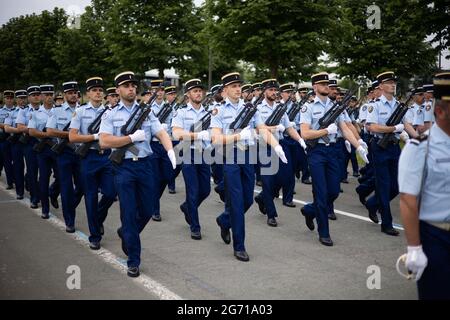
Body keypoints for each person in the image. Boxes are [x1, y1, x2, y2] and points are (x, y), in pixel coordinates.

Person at [99, 71, 176, 277]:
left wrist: (169, 150)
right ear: (118, 90)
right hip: (123, 168)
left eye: (133, 85)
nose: (131, 88)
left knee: (149, 209)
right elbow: (104, 141)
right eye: (126, 86)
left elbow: (161, 132)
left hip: (145, 165)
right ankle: (133, 259)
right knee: (129, 211)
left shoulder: (147, 112)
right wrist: (130, 138)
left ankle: (126, 233)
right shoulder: (111, 114)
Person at [210, 72, 288, 261]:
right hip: (230, 157)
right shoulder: (218, 111)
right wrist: (238, 136)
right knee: (237, 203)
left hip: (249, 157)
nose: (238, 89)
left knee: (248, 201)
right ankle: (240, 246)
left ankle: (224, 220)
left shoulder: (251, 108)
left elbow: (262, 129)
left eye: (239, 86)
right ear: (225, 90)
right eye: (234, 86)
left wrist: (276, 146)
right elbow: (216, 139)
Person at [300, 72, 369, 246]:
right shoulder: (307, 108)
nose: (327, 87)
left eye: (328, 84)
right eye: (323, 84)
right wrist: (325, 131)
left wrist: (358, 145)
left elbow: (345, 128)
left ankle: (310, 210)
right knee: (321, 193)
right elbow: (305, 133)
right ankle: (324, 232)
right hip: (316, 152)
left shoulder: (336, 107)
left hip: (332, 152)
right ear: (315, 87)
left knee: (334, 191)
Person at [398, 71, 450, 300]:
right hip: (436, 237)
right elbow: (408, 200)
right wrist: (414, 247)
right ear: (440, 111)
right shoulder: (420, 147)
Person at [365, 71, 417, 235]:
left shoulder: (398, 105)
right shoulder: (375, 105)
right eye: (389, 82)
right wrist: (393, 128)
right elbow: (371, 127)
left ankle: (373, 203)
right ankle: (386, 223)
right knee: (384, 184)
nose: (393, 84)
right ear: (380, 85)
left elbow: (406, 124)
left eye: (394, 82)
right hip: (379, 147)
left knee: (398, 184)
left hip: (394, 146)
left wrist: (419, 138)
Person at [69, 77, 117, 250]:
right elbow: (72, 137)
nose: (98, 92)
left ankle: (97, 217)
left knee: (111, 193)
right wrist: (94, 137)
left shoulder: (110, 111)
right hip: (88, 157)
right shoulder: (80, 112)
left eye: (100, 90)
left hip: (106, 157)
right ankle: (94, 235)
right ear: (88, 93)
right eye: (94, 90)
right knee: (90, 196)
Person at [254, 80, 305, 227]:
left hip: (281, 145)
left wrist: (300, 139)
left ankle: (263, 197)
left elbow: (289, 128)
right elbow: (258, 130)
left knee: (287, 177)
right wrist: (276, 127)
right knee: (268, 182)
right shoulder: (257, 108)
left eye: (275, 90)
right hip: (265, 147)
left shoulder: (281, 108)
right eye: (270, 90)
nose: (273, 93)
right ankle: (271, 214)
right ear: (264, 92)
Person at [172, 79, 211, 240]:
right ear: (188, 94)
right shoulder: (181, 112)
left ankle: (187, 206)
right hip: (188, 153)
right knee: (193, 191)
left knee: (206, 190)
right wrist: (196, 135)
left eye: (200, 90)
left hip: (204, 154)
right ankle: (195, 226)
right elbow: (177, 134)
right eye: (195, 91)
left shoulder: (208, 112)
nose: (198, 93)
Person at [46, 81, 83, 233]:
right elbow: (49, 131)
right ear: (65, 94)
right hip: (64, 153)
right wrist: (70, 135)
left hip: (81, 153)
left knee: (82, 186)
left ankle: (58, 197)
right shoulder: (57, 111)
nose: (73, 95)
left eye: (75, 92)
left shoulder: (84, 110)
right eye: (69, 93)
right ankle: (69, 220)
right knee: (67, 188)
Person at [28, 85, 60, 219]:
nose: (48, 97)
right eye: (45, 94)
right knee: (43, 178)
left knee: (60, 176)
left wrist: (52, 134)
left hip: (57, 148)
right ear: (41, 97)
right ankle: (45, 209)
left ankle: (53, 193)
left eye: (50, 94)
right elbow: (31, 131)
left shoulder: (59, 111)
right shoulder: (35, 113)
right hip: (43, 149)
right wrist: (47, 135)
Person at [149, 79, 174, 221]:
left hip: (165, 144)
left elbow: (173, 125)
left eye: (161, 90)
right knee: (155, 178)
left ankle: (151, 199)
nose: (159, 93)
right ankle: (155, 209)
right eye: (156, 90)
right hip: (152, 145)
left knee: (167, 176)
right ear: (152, 92)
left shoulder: (170, 107)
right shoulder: (148, 108)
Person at [16, 86, 42, 208]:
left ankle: (41, 192)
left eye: (38, 94)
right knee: (32, 171)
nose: (36, 96)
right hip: (30, 142)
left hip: (44, 143)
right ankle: (34, 198)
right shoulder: (24, 111)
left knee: (45, 172)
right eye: (33, 95)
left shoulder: (46, 110)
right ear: (29, 97)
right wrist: (32, 129)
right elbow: (20, 127)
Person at [3, 90, 27, 199]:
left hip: (29, 141)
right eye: (20, 98)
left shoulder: (30, 110)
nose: (22, 100)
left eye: (24, 98)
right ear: (16, 100)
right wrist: (19, 129)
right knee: (18, 166)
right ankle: (20, 191)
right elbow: (7, 128)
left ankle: (28, 182)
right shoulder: (11, 113)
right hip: (16, 141)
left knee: (32, 168)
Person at [0, 90, 16, 189]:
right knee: (6, 161)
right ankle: (10, 181)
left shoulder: (17, 110)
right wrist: (6, 126)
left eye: (11, 98)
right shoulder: (1, 111)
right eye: (7, 98)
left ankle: (15, 177)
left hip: (15, 138)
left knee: (16, 161)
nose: (9, 100)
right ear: (4, 99)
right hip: (4, 137)